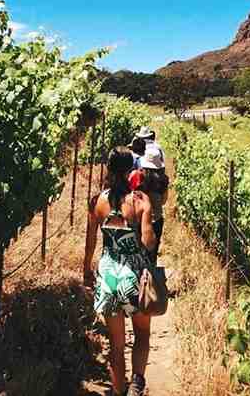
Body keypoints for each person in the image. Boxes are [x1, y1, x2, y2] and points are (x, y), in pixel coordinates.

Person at [84, 147, 157, 396]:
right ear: (131, 171)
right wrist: (147, 214)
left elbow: (90, 242)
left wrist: (86, 270)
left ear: (108, 168)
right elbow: (148, 242)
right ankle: (136, 384)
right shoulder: (139, 200)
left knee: (116, 345)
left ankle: (118, 391)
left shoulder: (97, 201)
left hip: (108, 275)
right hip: (133, 275)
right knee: (142, 333)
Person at [128, 145, 169, 264]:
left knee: (137, 249)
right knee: (152, 251)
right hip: (156, 219)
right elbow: (164, 201)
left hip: (138, 218)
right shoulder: (163, 180)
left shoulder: (137, 176)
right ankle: (151, 271)